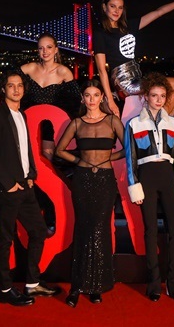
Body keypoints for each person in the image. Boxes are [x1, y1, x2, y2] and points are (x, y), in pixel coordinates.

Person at [0, 69, 61, 306]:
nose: (16, 89)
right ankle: (5, 290)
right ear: (3, 89)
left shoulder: (22, 115)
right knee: (5, 240)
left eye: (20, 85)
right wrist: (8, 184)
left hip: (26, 186)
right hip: (6, 189)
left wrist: (31, 176)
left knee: (38, 231)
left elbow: (25, 150)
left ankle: (32, 283)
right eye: (11, 85)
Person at [54, 79, 126, 308]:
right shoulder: (76, 123)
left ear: (102, 98)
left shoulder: (112, 121)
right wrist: (79, 161)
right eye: (88, 95)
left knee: (100, 229)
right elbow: (59, 150)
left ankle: (97, 286)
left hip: (105, 180)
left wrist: (109, 158)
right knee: (83, 229)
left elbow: (129, 148)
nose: (92, 99)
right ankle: (76, 287)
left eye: (96, 95)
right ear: (83, 99)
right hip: (82, 181)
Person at [124, 72, 174, 303]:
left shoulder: (173, 123)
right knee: (150, 231)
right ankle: (153, 284)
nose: (159, 100)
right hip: (146, 177)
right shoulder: (134, 124)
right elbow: (130, 158)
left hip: (169, 177)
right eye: (154, 95)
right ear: (146, 97)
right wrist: (135, 185)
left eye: (163, 96)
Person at [93, 0, 174, 119]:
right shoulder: (101, 33)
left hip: (137, 77)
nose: (117, 11)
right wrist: (110, 100)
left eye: (120, 7)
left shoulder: (128, 26)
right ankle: (157, 123)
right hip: (123, 82)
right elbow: (101, 70)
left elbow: (159, 12)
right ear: (104, 7)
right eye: (112, 6)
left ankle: (160, 128)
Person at [20, 31, 82, 235]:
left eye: (48, 47)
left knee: (45, 171)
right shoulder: (30, 68)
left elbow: (74, 104)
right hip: (28, 128)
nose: (45, 51)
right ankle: (36, 218)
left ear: (56, 49)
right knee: (28, 171)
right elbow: (7, 81)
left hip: (49, 130)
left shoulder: (64, 72)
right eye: (41, 48)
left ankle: (51, 217)